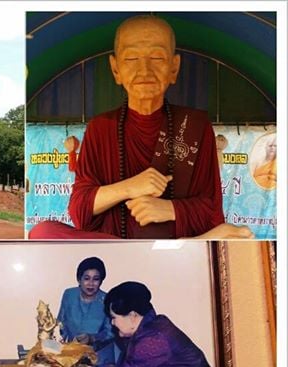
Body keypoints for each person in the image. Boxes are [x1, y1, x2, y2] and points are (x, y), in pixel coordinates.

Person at [29, 15, 253, 240]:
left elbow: (211, 210)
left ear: (173, 68)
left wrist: (169, 209)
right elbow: (79, 210)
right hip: (116, 245)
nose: (144, 70)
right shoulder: (100, 128)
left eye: (156, 57)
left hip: (173, 244)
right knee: (42, 232)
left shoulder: (195, 125)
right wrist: (130, 187)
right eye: (132, 58)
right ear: (115, 69)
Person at [57, 257, 115, 365]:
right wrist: (66, 345)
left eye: (96, 279)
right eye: (87, 278)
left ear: (101, 281)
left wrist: (92, 338)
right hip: (71, 356)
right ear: (79, 279)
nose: (91, 283)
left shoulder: (107, 300)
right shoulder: (69, 295)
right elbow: (61, 323)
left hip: (98, 358)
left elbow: (111, 332)